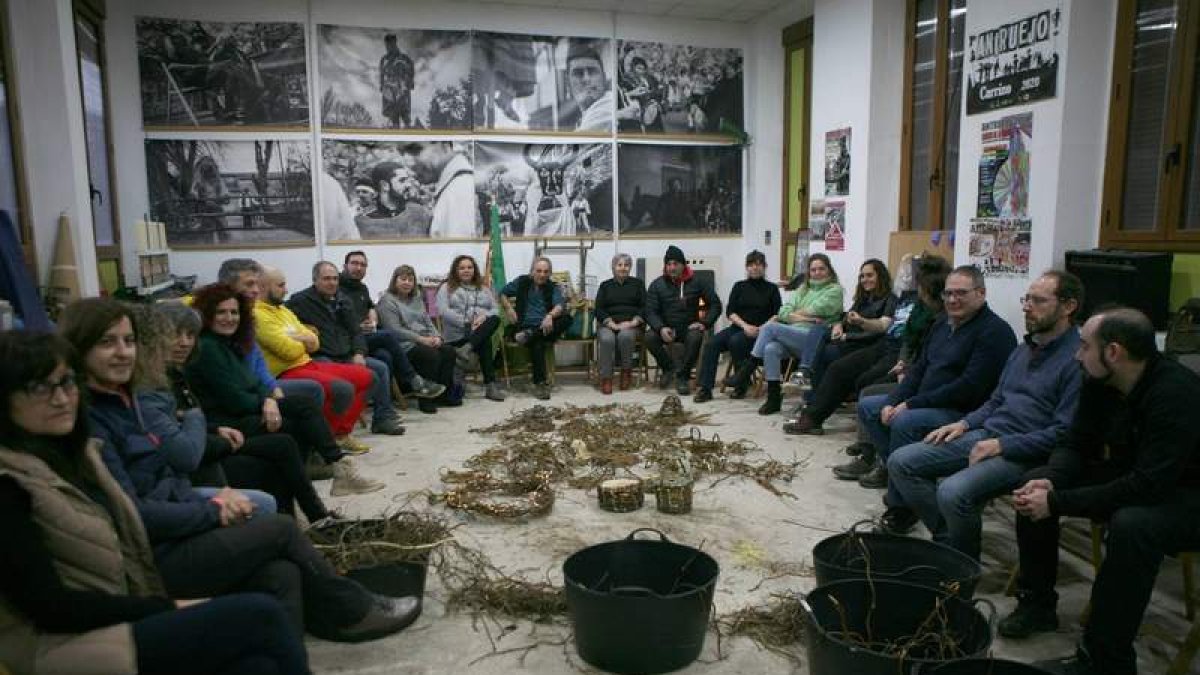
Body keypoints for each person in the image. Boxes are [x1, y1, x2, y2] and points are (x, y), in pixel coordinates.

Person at [59, 298, 417, 643]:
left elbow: (168, 470)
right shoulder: (93, 419)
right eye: (107, 343)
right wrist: (212, 508)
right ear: (79, 348)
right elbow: (136, 509)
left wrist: (210, 479)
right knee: (278, 527)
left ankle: (318, 632)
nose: (123, 352)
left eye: (129, 341)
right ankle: (352, 608)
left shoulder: (126, 399)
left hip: (180, 509)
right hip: (150, 554)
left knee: (281, 572)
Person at [0, 330, 310, 675]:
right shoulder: (10, 482)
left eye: (66, 382)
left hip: (123, 594)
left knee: (264, 639)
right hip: (57, 644)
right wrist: (163, 606)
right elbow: (49, 607)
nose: (60, 399)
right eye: (39, 387)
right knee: (260, 611)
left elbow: (169, 473)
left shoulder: (77, 453)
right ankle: (347, 609)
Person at [1002, 308, 1200, 675]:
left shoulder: (1176, 394)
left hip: (1187, 491)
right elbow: (1076, 443)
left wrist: (1058, 501)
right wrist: (1053, 482)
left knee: (1133, 525)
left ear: (1113, 352)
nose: (1077, 355)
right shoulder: (1099, 380)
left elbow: (1148, 485)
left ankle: (1106, 661)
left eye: (1084, 347)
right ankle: (1037, 604)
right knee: (1033, 484)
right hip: (1139, 474)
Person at [884, 271, 1084, 555]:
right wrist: (964, 424)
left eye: (1038, 300)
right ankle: (950, 542)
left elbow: (1063, 433)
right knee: (901, 461)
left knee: (952, 492)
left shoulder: (1076, 360)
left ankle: (963, 564)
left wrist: (1002, 444)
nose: (1026, 306)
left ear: (1068, 306)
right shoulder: (1024, 349)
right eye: (1026, 299)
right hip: (987, 432)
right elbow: (996, 400)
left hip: (1026, 453)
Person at [186, 285, 384, 497]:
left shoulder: (240, 337)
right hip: (235, 413)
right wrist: (267, 397)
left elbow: (258, 377)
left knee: (308, 401)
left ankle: (336, 464)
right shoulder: (210, 347)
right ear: (208, 314)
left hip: (286, 377)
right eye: (221, 312)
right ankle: (327, 469)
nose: (230, 318)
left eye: (234, 312)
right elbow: (240, 395)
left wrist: (268, 398)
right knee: (308, 405)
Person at [154, 302, 340, 521]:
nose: (183, 342)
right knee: (288, 430)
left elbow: (254, 381)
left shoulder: (224, 347)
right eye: (175, 335)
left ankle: (306, 515)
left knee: (291, 428)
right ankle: (309, 511)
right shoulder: (197, 357)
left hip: (218, 431)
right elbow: (233, 402)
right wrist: (222, 431)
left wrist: (267, 399)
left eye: (189, 335)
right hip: (212, 443)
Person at [851, 266, 1017, 489]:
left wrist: (910, 404)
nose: (952, 299)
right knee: (870, 407)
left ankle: (900, 503)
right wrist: (893, 401)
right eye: (948, 293)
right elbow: (919, 368)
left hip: (962, 411)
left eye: (961, 293)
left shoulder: (995, 331)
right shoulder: (942, 324)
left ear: (981, 293)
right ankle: (895, 472)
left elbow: (969, 387)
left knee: (904, 420)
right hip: (927, 401)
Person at [791, 255, 949, 438]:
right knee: (832, 359)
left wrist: (903, 361)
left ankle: (861, 436)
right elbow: (905, 334)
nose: (907, 276)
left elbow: (885, 327)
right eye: (862, 276)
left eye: (869, 275)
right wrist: (839, 324)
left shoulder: (897, 300)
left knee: (854, 372)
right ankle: (811, 414)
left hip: (874, 343)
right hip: (882, 345)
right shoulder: (900, 299)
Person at [255, 265, 375, 452]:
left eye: (335, 278)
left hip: (308, 363)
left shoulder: (282, 310)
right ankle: (323, 442)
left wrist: (301, 337)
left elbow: (314, 340)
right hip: (285, 371)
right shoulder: (257, 314)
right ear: (263, 287)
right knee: (342, 389)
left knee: (367, 376)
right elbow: (287, 350)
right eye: (280, 285)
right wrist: (304, 339)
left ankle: (341, 435)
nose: (286, 290)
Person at [286, 261, 408, 437]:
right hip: (321, 356)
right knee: (336, 380)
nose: (332, 283)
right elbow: (283, 321)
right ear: (315, 280)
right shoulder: (300, 301)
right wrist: (303, 332)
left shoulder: (343, 299)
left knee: (380, 367)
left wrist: (359, 353)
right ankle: (334, 429)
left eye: (335, 278)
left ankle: (382, 418)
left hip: (346, 354)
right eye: (326, 279)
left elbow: (356, 332)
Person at [735, 253, 844, 415]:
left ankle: (747, 369)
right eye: (813, 269)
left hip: (815, 340)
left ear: (829, 270)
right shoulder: (803, 288)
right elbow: (783, 311)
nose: (817, 272)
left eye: (822, 268)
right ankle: (773, 399)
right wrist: (805, 317)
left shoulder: (835, 290)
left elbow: (817, 309)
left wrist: (794, 315)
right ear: (809, 272)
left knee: (770, 327)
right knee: (771, 348)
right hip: (795, 335)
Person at [338, 251, 445, 406]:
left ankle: (385, 407)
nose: (359, 267)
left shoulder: (362, 288)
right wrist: (422, 339)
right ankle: (415, 381)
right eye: (354, 263)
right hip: (351, 339)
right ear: (345, 266)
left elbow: (370, 306)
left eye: (363, 265)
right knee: (389, 336)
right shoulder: (338, 289)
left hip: (365, 337)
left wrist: (372, 317)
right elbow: (394, 329)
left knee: (385, 356)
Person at [694, 250, 781, 403]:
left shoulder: (772, 289)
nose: (755, 268)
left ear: (765, 267)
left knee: (737, 341)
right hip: (740, 327)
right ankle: (705, 389)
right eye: (751, 264)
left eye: (759, 264)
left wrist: (761, 328)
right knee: (711, 344)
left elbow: (778, 314)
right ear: (747, 267)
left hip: (762, 331)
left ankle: (741, 384)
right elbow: (730, 311)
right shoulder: (739, 286)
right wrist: (745, 326)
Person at [376, 264, 461, 412]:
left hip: (425, 339)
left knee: (448, 351)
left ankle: (442, 394)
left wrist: (437, 337)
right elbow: (394, 330)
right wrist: (421, 339)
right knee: (430, 354)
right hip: (403, 345)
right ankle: (426, 398)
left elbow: (427, 320)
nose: (407, 283)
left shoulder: (416, 298)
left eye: (410, 279)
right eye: (403, 279)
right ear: (394, 281)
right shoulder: (386, 301)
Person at [644, 245, 722, 396]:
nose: (672, 268)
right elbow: (650, 311)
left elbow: (715, 305)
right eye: (669, 264)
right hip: (666, 328)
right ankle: (668, 368)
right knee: (649, 337)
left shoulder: (698, 281)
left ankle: (683, 376)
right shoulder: (657, 284)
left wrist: (704, 323)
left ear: (683, 264)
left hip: (688, 328)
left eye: (675, 264)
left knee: (695, 336)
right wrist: (660, 328)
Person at [500, 257, 572, 401]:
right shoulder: (521, 282)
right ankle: (540, 384)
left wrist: (550, 315)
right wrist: (508, 308)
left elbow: (560, 305)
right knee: (538, 344)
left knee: (567, 319)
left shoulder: (553, 287)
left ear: (550, 273)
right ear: (532, 271)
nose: (542, 274)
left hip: (544, 327)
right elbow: (501, 292)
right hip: (525, 326)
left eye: (546, 272)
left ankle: (531, 335)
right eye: (538, 271)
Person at [437, 254, 506, 402]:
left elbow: (495, 309)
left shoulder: (483, 288)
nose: (466, 270)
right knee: (484, 340)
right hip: (456, 335)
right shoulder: (446, 287)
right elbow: (443, 311)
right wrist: (468, 321)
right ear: (455, 270)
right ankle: (490, 384)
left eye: (470, 267)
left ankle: (467, 350)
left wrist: (483, 317)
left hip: (476, 332)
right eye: (462, 268)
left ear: (474, 270)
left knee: (494, 320)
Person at [593, 253, 646, 394]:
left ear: (630, 268)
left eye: (626, 265)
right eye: (619, 265)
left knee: (625, 337)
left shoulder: (638, 284)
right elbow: (598, 308)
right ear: (613, 267)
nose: (623, 268)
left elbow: (645, 307)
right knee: (606, 339)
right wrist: (611, 323)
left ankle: (626, 371)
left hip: (631, 324)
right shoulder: (605, 286)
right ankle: (606, 378)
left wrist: (633, 322)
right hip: (608, 324)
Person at [403, 142, 477, 238]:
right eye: (404, 153)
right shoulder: (454, 184)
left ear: (445, 146)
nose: (410, 163)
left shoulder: (459, 188)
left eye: (416, 150)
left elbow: (457, 250)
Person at [565, 42, 612, 132]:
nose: (586, 79)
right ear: (568, 82)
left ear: (604, 77)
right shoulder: (584, 117)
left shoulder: (608, 104)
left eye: (592, 71)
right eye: (578, 73)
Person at [379, 33, 415, 128]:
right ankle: (395, 130)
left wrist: (410, 81)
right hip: (389, 90)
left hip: (402, 87)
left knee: (404, 112)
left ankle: (408, 129)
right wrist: (382, 85)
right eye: (387, 45)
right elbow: (381, 73)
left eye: (391, 44)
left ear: (395, 43)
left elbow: (411, 69)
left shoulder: (404, 58)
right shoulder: (384, 59)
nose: (388, 47)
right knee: (393, 114)